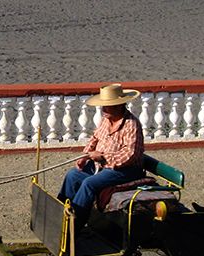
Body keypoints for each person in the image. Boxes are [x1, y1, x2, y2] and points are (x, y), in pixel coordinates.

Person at [59, 83, 145, 227]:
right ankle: (61, 215)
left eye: (107, 106)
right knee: (72, 175)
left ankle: (74, 227)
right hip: (102, 167)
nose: (103, 109)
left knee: (89, 184)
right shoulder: (106, 120)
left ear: (119, 106)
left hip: (123, 170)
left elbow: (130, 155)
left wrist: (104, 158)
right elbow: (95, 138)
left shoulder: (132, 125)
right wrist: (85, 156)